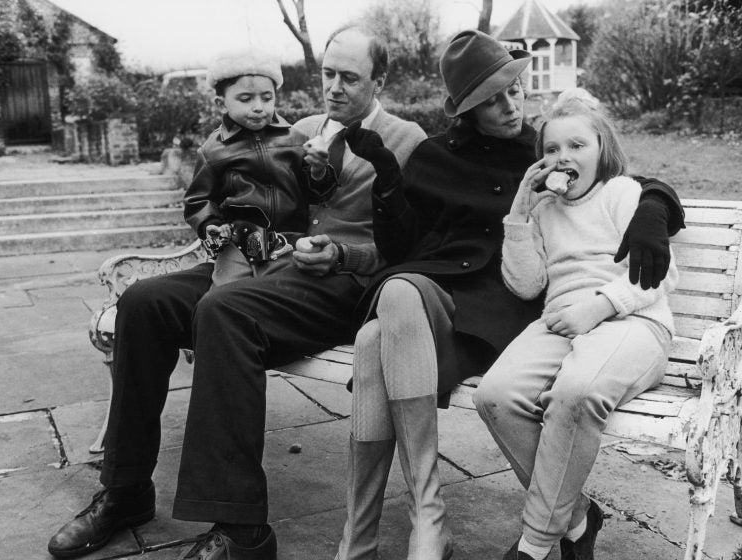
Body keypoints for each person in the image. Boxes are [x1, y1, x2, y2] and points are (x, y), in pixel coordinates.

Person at [46, 25, 426, 560]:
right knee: (144, 302)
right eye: (327, 74)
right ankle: (126, 489)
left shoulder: (408, 141)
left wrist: (342, 255)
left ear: (380, 80)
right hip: (262, 268)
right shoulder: (300, 129)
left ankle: (243, 531)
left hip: (341, 285)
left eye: (350, 78)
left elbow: (408, 244)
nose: (334, 88)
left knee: (224, 311)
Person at [333, 30, 684, 560]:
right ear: (466, 110)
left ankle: (447, 531)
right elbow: (401, 245)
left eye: (514, 90)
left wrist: (654, 210)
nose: (510, 105)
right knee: (388, 312)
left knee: (375, 337)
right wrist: (385, 168)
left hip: (501, 308)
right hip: (444, 292)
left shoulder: (542, 145)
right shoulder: (435, 157)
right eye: (491, 99)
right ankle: (406, 523)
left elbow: (620, 176)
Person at [472, 88, 678, 560]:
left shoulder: (623, 194)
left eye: (577, 146)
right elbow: (526, 285)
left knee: (576, 393)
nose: (563, 157)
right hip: (563, 321)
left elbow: (664, 274)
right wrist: (519, 213)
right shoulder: (544, 211)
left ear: (601, 148)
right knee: (495, 396)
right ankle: (579, 517)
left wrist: (602, 305)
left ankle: (536, 543)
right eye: (551, 149)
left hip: (633, 319)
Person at [183, 46, 323, 286]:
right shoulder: (213, 150)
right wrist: (211, 225)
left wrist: (319, 170)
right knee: (227, 297)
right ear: (221, 103)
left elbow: (317, 193)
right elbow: (198, 200)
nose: (259, 106)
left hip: (288, 242)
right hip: (238, 244)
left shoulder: (296, 140)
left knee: (282, 296)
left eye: (267, 98)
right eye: (246, 99)